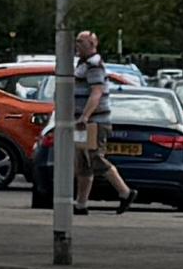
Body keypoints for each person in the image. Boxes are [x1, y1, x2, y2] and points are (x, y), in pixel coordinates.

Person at [57, 28, 132, 212]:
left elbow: (96, 92)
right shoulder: (83, 64)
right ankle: (81, 204)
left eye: (80, 42)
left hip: (94, 122)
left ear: (92, 44)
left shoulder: (94, 65)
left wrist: (85, 116)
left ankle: (125, 192)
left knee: (95, 157)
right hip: (84, 122)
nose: (76, 45)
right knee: (83, 162)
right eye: (76, 41)